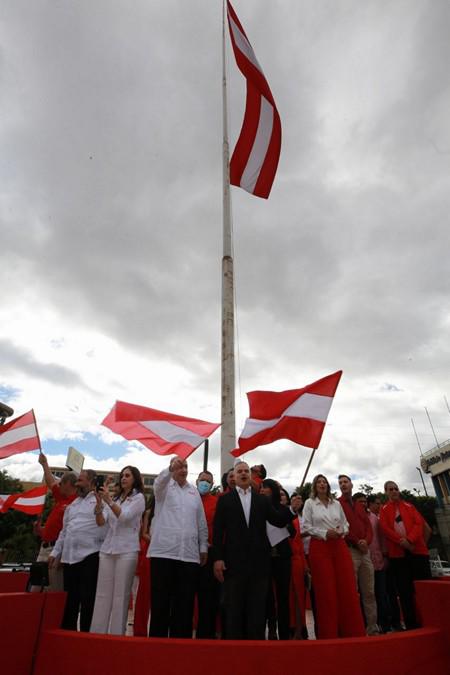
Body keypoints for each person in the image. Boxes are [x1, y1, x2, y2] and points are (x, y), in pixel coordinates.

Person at [212, 461, 295, 640]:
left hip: (259, 565)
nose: (243, 474)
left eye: (246, 471)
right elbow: (218, 531)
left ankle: (256, 650)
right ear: (233, 476)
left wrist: (292, 509)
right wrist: (218, 559)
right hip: (234, 564)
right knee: (234, 607)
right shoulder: (225, 500)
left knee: (257, 609)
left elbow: (278, 520)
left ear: (250, 476)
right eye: (239, 471)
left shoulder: (261, 500)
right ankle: (234, 651)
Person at [148, 457, 208, 638]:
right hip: (163, 554)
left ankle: (180, 647)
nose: (183, 470)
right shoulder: (164, 489)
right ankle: (157, 646)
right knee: (161, 603)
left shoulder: (194, 492)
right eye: (179, 466)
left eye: (186, 467)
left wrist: (203, 546)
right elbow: (158, 483)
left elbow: (201, 521)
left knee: (184, 605)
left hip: (189, 556)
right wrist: (169, 468)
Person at [302, 474, 365, 639]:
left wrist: (341, 531)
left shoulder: (336, 504)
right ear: (314, 486)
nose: (322, 484)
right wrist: (324, 533)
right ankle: (329, 633)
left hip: (339, 546)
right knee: (326, 591)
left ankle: (352, 631)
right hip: (320, 548)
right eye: (319, 482)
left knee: (347, 588)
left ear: (328, 486)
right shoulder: (309, 503)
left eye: (324, 482)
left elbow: (346, 524)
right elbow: (306, 526)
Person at [90, 466, 146, 635]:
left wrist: (108, 501)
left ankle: (116, 634)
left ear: (135, 479)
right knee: (102, 594)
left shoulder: (139, 498)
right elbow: (101, 522)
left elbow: (125, 517)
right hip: (107, 549)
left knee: (121, 596)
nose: (123, 478)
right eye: (122, 475)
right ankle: (97, 633)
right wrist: (99, 504)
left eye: (127, 475)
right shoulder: (114, 498)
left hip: (127, 550)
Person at [49, 470, 107, 631]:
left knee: (88, 599)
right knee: (70, 599)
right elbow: (64, 531)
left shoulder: (101, 500)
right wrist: (55, 552)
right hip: (69, 557)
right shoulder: (72, 505)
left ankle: (86, 635)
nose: (77, 484)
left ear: (91, 482)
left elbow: (104, 525)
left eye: (80, 481)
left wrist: (99, 507)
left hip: (90, 555)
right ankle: (68, 634)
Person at [379, 480, 431, 629]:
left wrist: (410, 540)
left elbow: (418, 524)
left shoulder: (410, 506)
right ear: (386, 492)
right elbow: (385, 528)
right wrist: (401, 542)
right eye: (390, 489)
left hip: (417, 552)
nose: (394, 491)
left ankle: (428, 619)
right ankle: (411, 623)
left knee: (424, 589)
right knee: (404, 592)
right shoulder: (384, 510)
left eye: (396, 488)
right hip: (398, 556)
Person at [338, 475, 379, 635]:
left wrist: (366, 542)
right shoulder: (337, 504)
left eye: (345, 482)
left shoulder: (359, 505)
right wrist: (357, 542)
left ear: (351, 484)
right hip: (351, 550)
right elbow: (341, 526)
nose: (343, 485)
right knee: (352, 591)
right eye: (340, 483)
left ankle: (372, 627)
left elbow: (369, 527)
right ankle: (355, 628)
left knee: (369, 591)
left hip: (365, 552)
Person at [32, 453, 77, 591]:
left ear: (68, 484)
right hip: (44, 548)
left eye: (61, 483)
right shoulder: (61, 498)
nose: (58, 486)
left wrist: (63, 553)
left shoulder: (76, 502)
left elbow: (69, 531)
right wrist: (40, 530)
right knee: (36, 587)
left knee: (53, 590)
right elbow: (50, 480)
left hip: (57, 551)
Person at [261, 479, 293, 640]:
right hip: (265, 558)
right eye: (260, 488)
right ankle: (272, 627)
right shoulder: (258, 509)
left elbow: (292, 531)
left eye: (265, 488)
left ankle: (285, 631)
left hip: (282, 557)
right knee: (267, 597)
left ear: (272, 490)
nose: (262, 490)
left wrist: (288, 520)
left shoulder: (284, 509)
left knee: (283, 596)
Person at [196, 470, 219, 638]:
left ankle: (206, 634)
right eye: (202, 480)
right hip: (188, 552)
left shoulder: (217, 502)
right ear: (196, 481)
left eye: (208, 481)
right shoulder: (189, 498)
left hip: (208, 553)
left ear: (212, 484)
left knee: (207, 597)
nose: (204, 483)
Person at [367, 494, 392, 633]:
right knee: (371, 594)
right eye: (376, 503)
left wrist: (385, 555)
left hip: (379, 561)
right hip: (368, 562)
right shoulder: (369, 518)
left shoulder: (377, 519)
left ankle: (385, 624)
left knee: (382, 594)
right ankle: (374, 623)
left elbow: (382, 540)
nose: (379, 506)